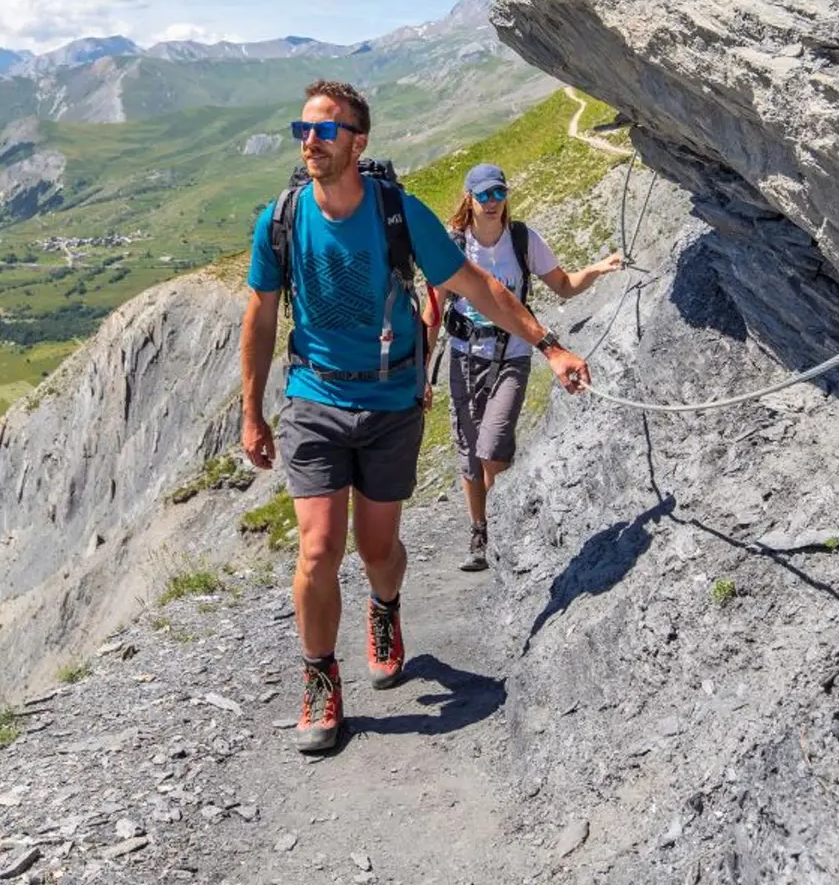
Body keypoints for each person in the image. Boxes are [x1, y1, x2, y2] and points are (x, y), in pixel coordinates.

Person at [240, 83, 593, 754]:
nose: (310, 142)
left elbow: (478, 287)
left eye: (325, 130)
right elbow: (259, 316)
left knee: (378, 551)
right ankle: (320, 679)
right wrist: (251, 412)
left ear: (358, 141)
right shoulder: (280, 220)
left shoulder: (399, 214)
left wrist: (548, 346)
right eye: (302, 130)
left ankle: (385, 608)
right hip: (314, 399)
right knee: (317, 549)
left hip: (390, 401)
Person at [425, 163, 624, 572]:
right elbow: (433, 313)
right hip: (465, 357)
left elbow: (563, 285)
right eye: (484, 195)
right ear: (469, 199)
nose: (493, 202)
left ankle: (506, 528)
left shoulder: (522, 240)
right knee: (469, 455)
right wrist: (421, 375)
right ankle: (480, 531)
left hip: (513, 354)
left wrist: (596, 269)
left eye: (498, 193)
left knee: (493, 445)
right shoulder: (452, 245)